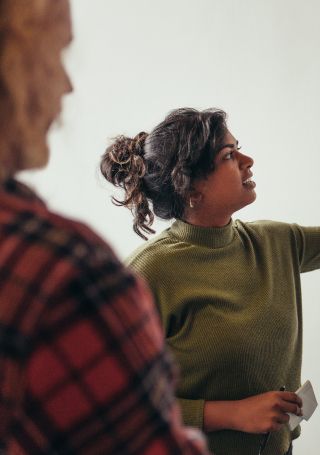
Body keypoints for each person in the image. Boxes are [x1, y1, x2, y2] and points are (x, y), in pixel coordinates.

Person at [100, 107, 320, 454]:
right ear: (191, 188)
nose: (248, 160)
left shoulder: (273, 242)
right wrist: (228, 414)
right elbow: (115, 402)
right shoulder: (150, 272)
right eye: (230, 156)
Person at [0, 1, 209, 453]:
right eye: (56, 55)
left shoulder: (269, 239)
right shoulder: (64, 271)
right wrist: (223, 413)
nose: (67, 84)